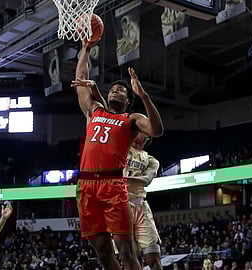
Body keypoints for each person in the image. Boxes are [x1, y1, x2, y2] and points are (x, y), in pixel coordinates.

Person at [71, 39, 163, 270]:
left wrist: (144, 96)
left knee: (126, 251)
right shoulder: (94, 111)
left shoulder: (130, 120)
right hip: (86, 185)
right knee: (103, 252)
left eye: (121, 90)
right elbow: (81, 81)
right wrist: (86, 49)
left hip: (113, 185)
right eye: (112, 89)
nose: (115, 90)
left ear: (127, 100)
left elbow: (157, 130)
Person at [124, 132, 162, 269]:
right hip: (120, 207)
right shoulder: (118, 150)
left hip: (141, 205)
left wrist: (124, 180)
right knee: (131, 259)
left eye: (143, 139)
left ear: (147, 138)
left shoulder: (151, 160)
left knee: (155, 259)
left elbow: (147, 180)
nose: (139, 142)